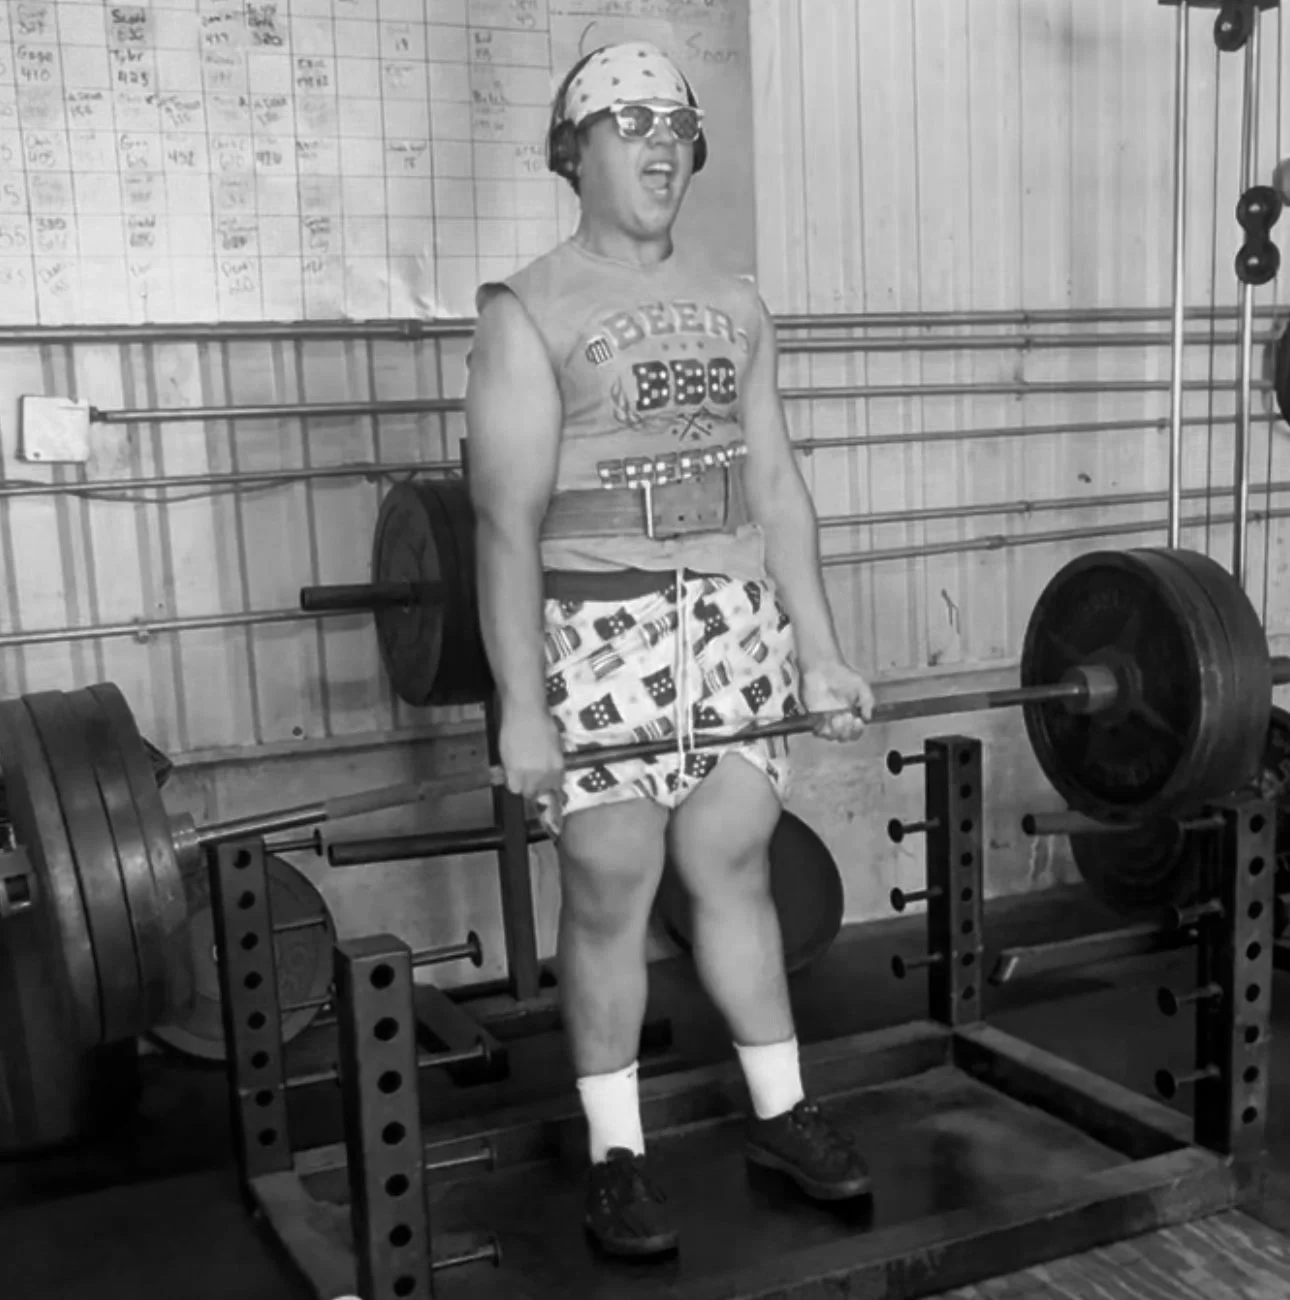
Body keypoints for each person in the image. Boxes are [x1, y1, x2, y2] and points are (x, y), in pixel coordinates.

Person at [465, 40, 876, 1258]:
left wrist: (821, 649)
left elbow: (780, 486)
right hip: (598, 632)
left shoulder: (736, 300)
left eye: (676, 125)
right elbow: (504, 522)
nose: (659, 142)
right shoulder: (526, 309)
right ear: (572, 148)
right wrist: (520, 708)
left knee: (734, 865)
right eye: (627, 119)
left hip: (731, 624)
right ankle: (617, 1156)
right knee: (609, 886)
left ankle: (783, 1113)